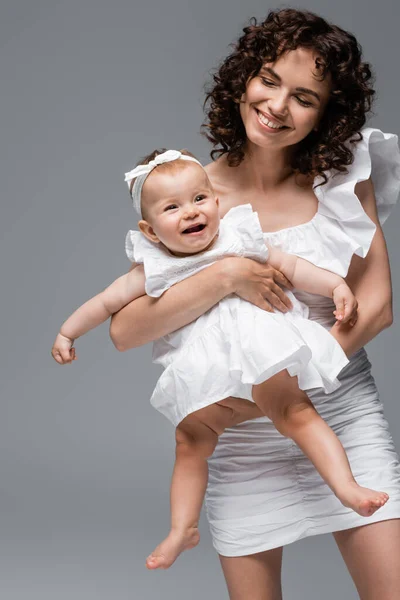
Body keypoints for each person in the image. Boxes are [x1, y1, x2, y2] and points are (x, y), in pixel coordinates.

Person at [110, 9, 400, 599]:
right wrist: (226, 278)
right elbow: (125, 330)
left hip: (338, 415)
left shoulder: (343, 180)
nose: (277, 105)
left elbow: (377, 307)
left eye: (305, 97)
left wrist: (289, 384)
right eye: (268, 79)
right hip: (239, 435)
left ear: (326, 114)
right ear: (243, 79)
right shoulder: (189, 193)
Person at [51, 145, 388, 569]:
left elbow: (292, 266)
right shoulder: (152, 266)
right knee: (189, 441)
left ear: (215, 202)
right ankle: (181, 529)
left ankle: (346, 487)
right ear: (150, 230)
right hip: (209, 378)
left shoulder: (238, 237)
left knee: (296, 413)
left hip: (260, 354)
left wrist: (335, 286)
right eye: (172, 208)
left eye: (198, 200)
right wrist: (68, 332)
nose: (190, 212)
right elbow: (105, 304)